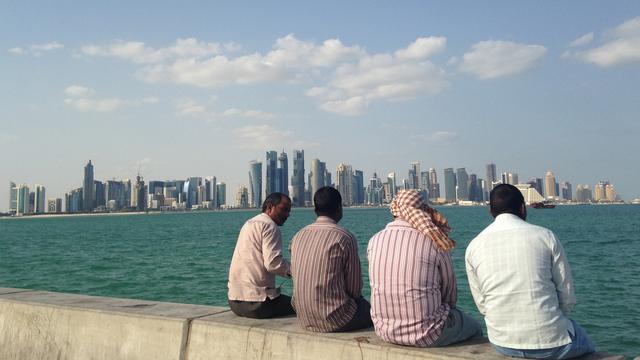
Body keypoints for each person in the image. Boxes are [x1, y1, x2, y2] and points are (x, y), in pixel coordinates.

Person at [465, 184, 595, 359]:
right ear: (522, 208)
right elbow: (567, 295)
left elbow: (482, 304)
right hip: (553, 343)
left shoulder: (474, 246)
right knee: (586, 343)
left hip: (503, 343)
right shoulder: (545, 236)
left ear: (490, 211)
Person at [368, 189, 483, 347]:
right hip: (428, 334)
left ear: (395, 210)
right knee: (475, 328)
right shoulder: (435, 240)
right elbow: (449, 295)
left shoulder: (374, 240)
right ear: (423, 211)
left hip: (384, 331)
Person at [289, 186, 372, 332]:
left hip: (303, 317)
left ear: (315, 209)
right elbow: (354, 290)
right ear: (339, 208)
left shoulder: (298, 236)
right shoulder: (344, 237)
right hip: (336, 319)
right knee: (370, 308)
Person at [227, 192, 295, 319]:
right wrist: (298, 271)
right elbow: (273, 264)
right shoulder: (270, 226)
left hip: (234, 303)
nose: (287, 215)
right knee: (301, 306)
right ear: (270, 207)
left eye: (289, 211)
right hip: (259, 304)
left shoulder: (249, 223)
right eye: (284, 209)